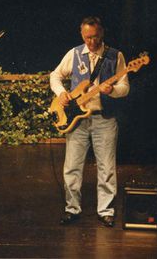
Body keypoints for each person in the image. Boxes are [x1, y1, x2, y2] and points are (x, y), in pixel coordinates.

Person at [49, 16, 130, 227]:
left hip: (105, 118)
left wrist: (112, 90)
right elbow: (55, 76)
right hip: (78, 121)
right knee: (72, 166)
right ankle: (72, 209)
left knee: (106, 166)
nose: (91, 42)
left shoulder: (115, 56)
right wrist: (61, 93)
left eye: (95, 37)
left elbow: (125, 87)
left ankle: (106, 211)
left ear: (101, 33)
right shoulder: (74, 53)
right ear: (81, 34)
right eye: (87, 37)